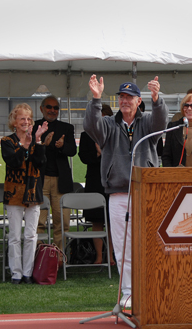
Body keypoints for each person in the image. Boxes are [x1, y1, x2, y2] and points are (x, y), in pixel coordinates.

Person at [84, 75, 168, 308]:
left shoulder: (147, 122)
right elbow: (91, 127)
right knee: (122, 245)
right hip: (118, 193)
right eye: (121, 97)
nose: (125, 101)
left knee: (149, 242)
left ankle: (150, 286)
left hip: (145, 193)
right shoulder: (110, 124)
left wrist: (157, 99)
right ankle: (129, 292)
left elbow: (161, 123)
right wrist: (96, 99)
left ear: (138, 101)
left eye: (129, 98)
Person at [1, 104, 48, 284]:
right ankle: (16, 273)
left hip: (33, 193)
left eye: (28, 119)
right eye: (22, 119)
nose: (26, 122)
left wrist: (37, 140)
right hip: (14, 194)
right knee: (14, 236)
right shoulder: (7, 141)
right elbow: (13, 161)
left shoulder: (35, 140)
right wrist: (24, 145)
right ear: (14, 121)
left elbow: (40, 162)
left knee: (30, 235)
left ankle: (28, 272)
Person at [32, 95, 77, 252]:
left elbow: (73, 151)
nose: (52, 110)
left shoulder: (67, 128)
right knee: (38, 222)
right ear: (42, 109)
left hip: (61, 181)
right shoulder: (33, 127)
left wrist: (61, 146)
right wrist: (43, 145)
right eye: (49, 107)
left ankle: (59, 257)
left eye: (55, 108)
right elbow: (29, 152)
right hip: (40, 180)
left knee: (62, 222)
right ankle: (39, 256)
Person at [78, 104, 115, 265]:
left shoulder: (116, 133)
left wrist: (103, 152)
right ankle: (99, 256)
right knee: (97, 221)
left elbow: (119, 157)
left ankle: (112, 256)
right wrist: (98, 153)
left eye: (105, 116)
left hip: (113, 181)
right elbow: (84, 157)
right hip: (94, 181)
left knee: (113, 222)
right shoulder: (87, 135)